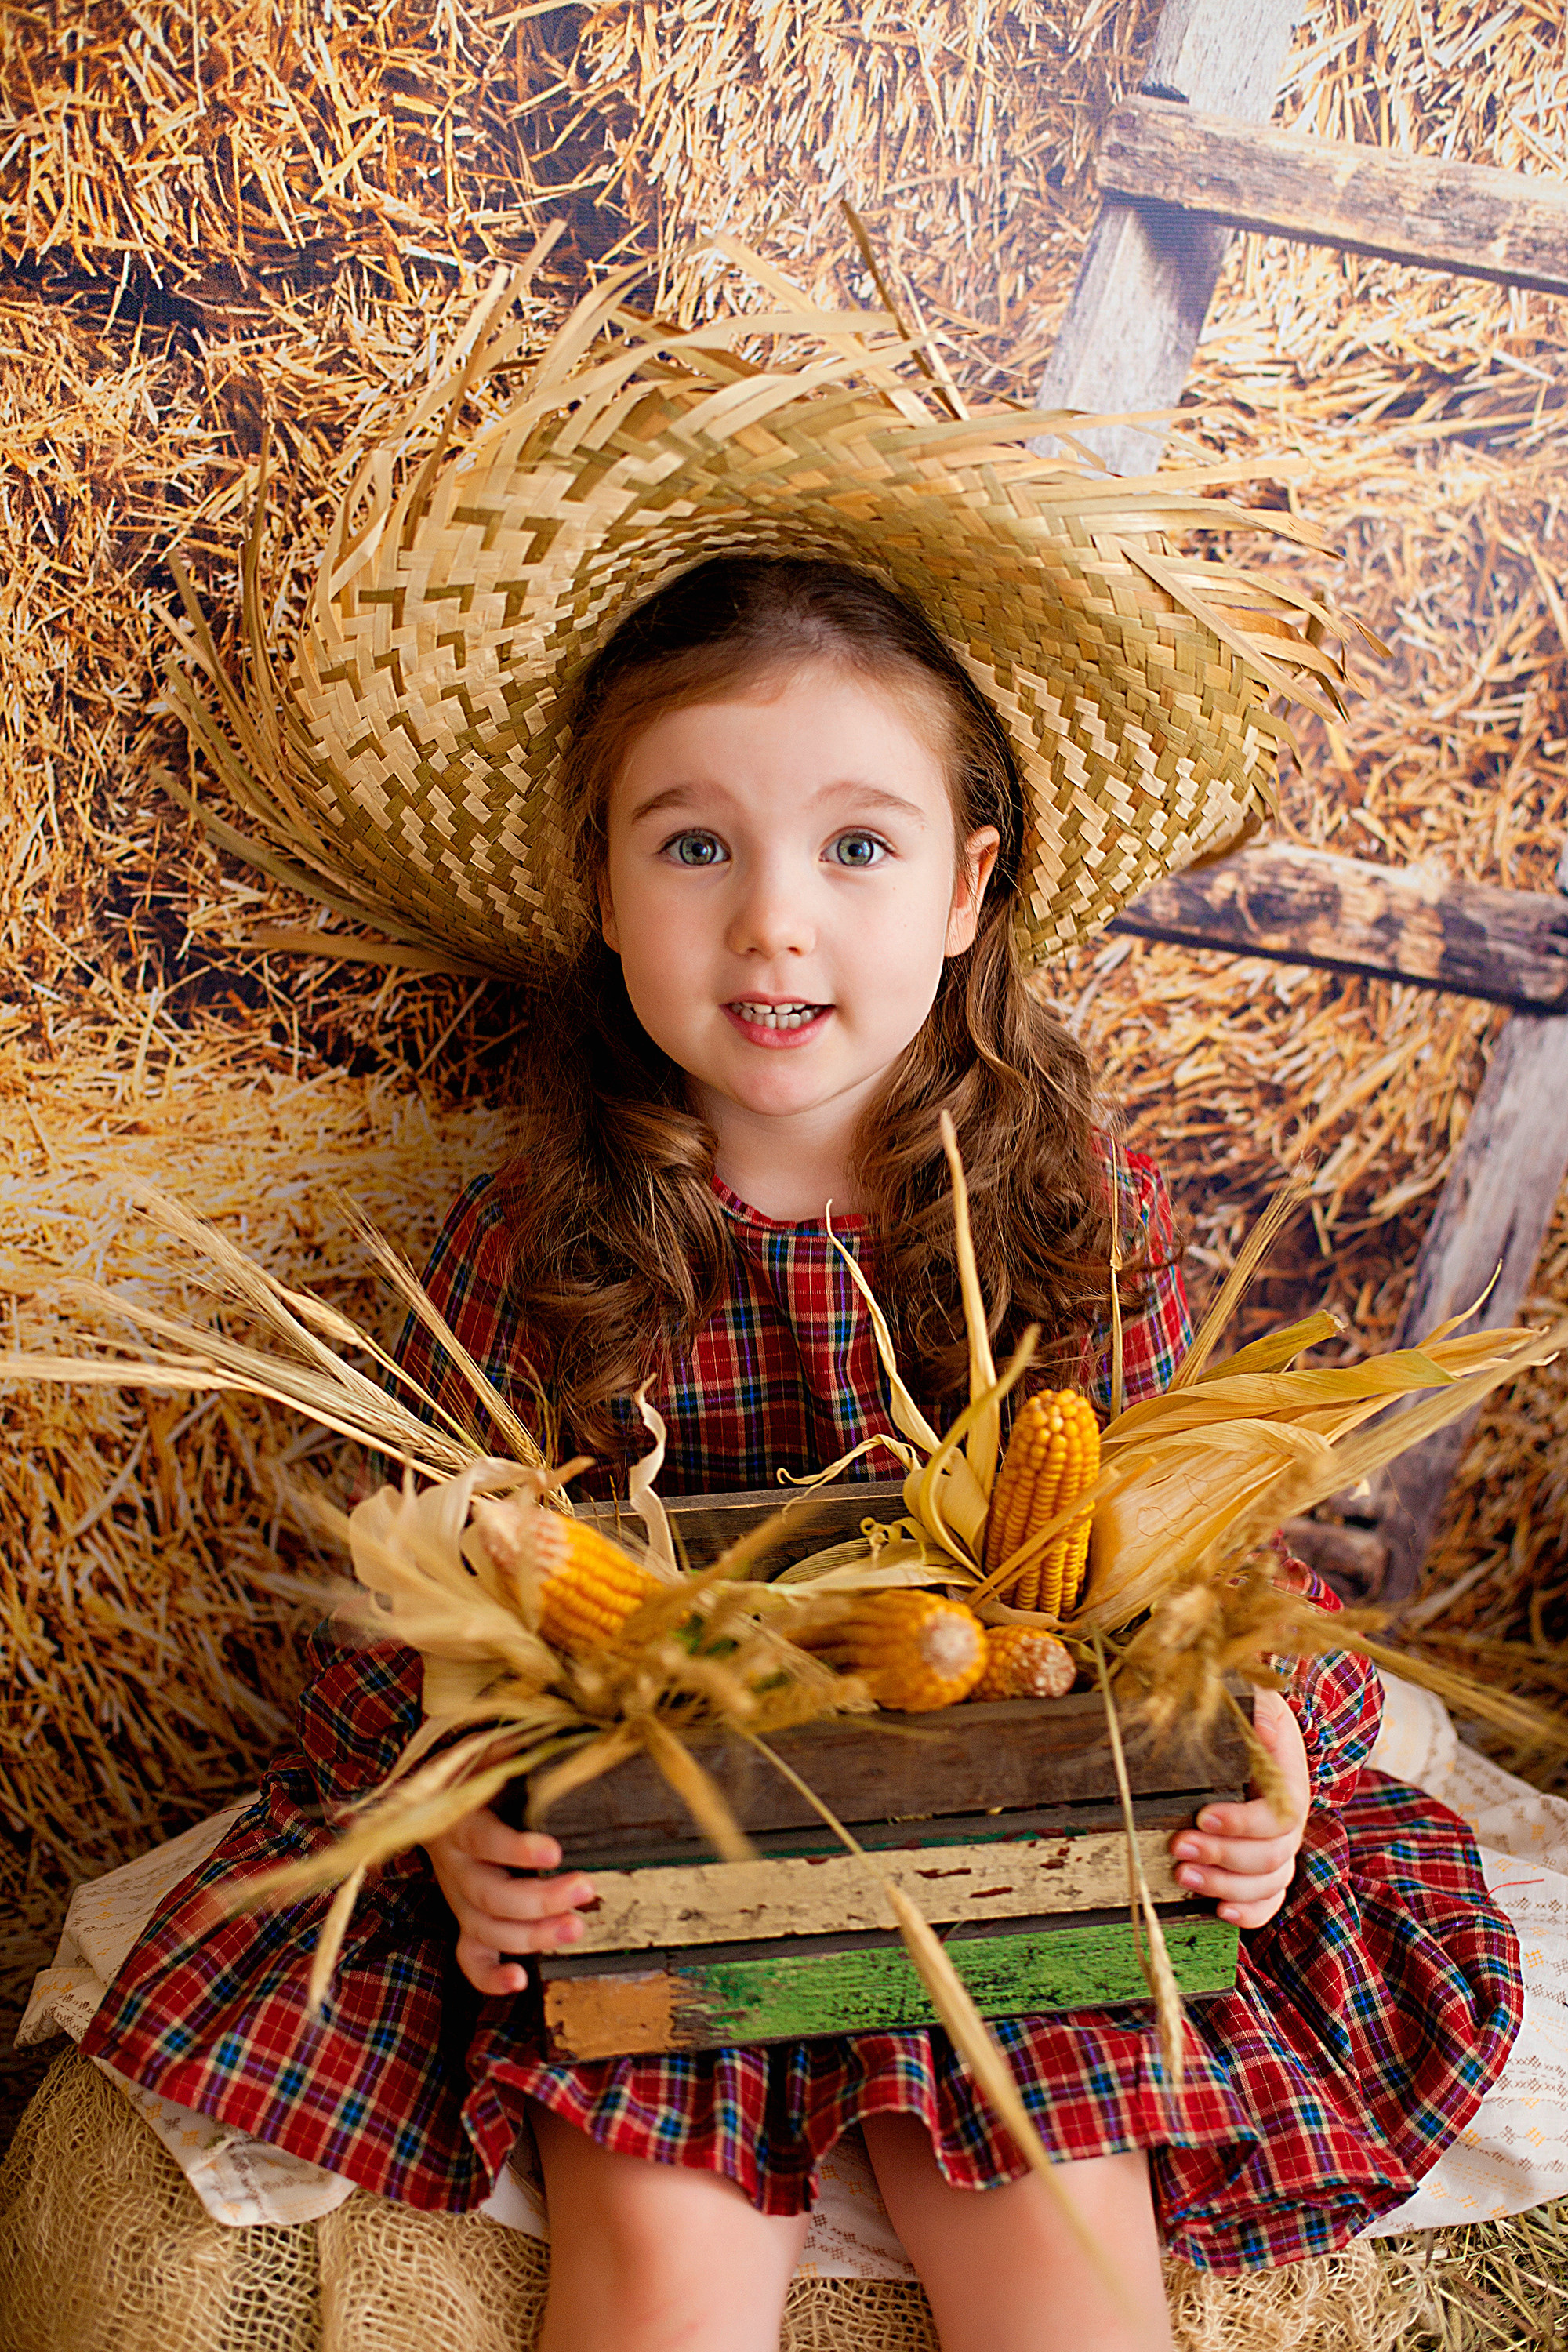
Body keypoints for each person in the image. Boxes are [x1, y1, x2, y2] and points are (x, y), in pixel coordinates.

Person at [81, 285, 1521, 2352]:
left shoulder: (1066, 1227)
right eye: (697, 845)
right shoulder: (536, 1249)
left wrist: (1273, 1746)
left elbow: (1225, 1569)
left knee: (1063, 2273)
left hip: (1012, 1851)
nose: (774, 918)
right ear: (603, 888)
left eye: (857, 845)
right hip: (672, 1876)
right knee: (655, 2281)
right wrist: (465, 1819)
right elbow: (413, 1617)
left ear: (967, 887)